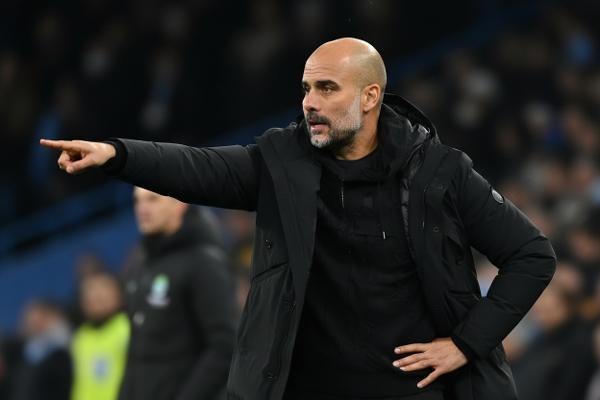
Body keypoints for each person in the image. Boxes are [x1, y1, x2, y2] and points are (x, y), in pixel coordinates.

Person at [41, 38, 556, 400]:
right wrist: (117, 154)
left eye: (327, 88)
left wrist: (466, 343)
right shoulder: (281, 163)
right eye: (306, 89)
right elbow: (202, 168)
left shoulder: (440, 172)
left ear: (370, 97)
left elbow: (532, 255)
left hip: (413, 392)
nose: (310, 103)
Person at [117, 187, 237, 400]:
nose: (142, 208)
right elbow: (137, 354)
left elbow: (225, 346)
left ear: (180, 204)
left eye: (153, 199)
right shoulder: (143, 265)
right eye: (137, 201)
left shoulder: (204, 262)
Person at [70, 271, 129, 400]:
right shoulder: (81, 337)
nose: (95, 297)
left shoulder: (126, 328)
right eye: (90, 294)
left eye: (102, 294)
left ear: (118, 295)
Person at [10, 299, 72, 400]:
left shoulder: (60, 354)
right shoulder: (23, 350)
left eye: (37, 320)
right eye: (29, 320)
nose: (32, 324)